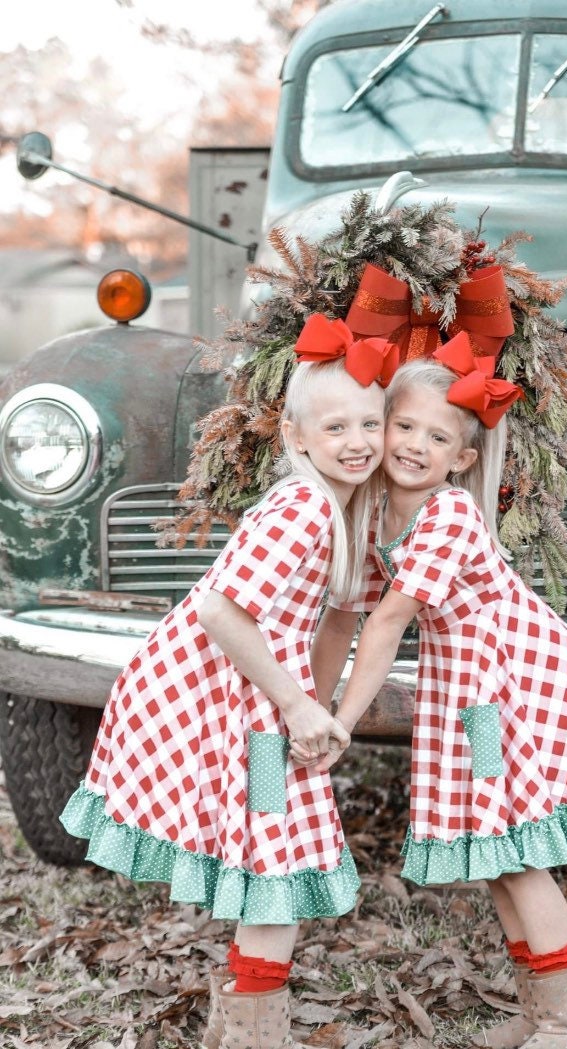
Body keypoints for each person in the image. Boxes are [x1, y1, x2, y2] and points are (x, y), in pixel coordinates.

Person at [60, 314, 396, 1049]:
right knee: (277, 852)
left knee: (274, 850)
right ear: (298, 438)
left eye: (369, 422)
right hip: (207, 695)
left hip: (256, 703)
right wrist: (297, 701)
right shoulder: (303, 504)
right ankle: (251, 1033)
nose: (357, 441)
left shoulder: (350, 513)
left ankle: (242, 1025)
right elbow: (219, 610)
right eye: (335, 426)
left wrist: (325, 712)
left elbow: (341, 622)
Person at [317, 335, 567, 1049]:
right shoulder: (378, 514)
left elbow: (386, 622)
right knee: (492, 848)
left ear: (461, 459)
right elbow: (346, 612)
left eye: (436, 436)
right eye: (402, 425)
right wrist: (310, 700)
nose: (412, 444)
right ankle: (540, 1008)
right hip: (468, 689)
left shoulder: (448, 515)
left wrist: (341, 717)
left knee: (517, 848)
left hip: (515, 686)